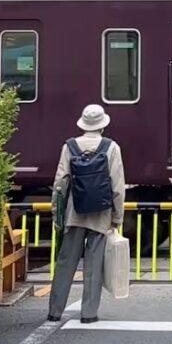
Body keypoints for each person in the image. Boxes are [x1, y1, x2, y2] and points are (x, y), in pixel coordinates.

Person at [47, 104, 126, 324]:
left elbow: (60, 184)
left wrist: (57, 213)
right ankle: (88, 314)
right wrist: (117, 217)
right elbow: (118, 186)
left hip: (74, 213)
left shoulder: (69, 146)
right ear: (102, 125)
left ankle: (55, 311)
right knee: (94, 266)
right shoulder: (111, 148)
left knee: (65, 263)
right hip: (100, 215)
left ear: (83, 123)